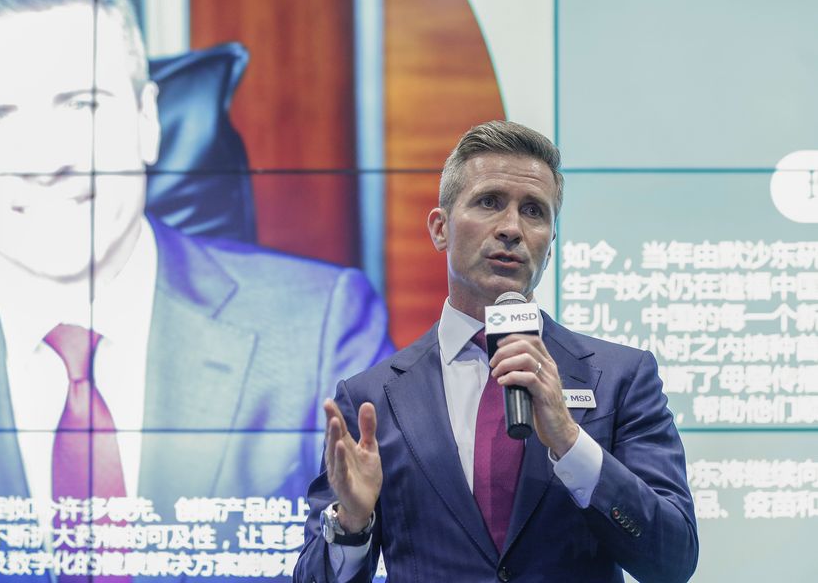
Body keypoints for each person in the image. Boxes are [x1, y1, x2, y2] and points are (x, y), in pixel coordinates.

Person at [0, 0, 391, 580]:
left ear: (147, 121)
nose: (46, 161)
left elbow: (390, 558)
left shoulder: (320, 329)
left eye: (82, 105)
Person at [294, 120, 699, 582]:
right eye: (489, 202)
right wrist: (351, 524)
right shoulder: (371, 399)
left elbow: (673, 561)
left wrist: (571, 443)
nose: (511, 228)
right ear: (440, 229)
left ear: (550, 247)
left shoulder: (621, 377)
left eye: (533, 211)